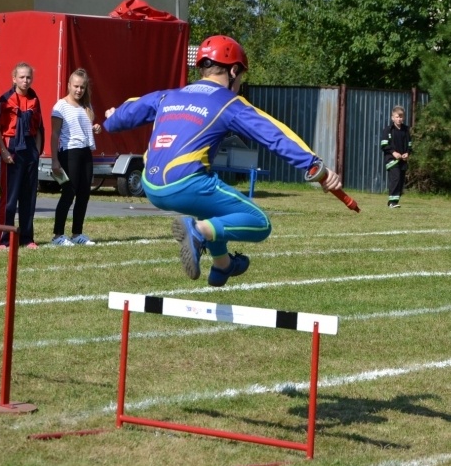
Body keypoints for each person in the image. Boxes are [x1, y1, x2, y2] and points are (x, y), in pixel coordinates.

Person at [103, 35, 342, 287]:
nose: (239, 84)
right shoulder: (229, 103)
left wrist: (112, 117)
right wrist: (316, 167)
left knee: (215, 212)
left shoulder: (168, 96)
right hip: (185, 183)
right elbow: (274, 134)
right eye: (240, 78)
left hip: (150, 185)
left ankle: (222, 265)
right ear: (233, 70)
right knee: (260, 223)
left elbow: (127, 113)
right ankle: (198, 232)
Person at [0, 62, 43, 249]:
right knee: (10, 198)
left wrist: (36, 151)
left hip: (29, 148)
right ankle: (2, 239)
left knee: (29, 196)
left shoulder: (34, 98)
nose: (25, 80)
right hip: (12, 147)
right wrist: (3, 151)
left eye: (28, 77)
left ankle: (27, 238)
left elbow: (38, 128)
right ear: (14, 78)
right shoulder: (5, 99)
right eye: (21, 77)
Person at [49, 68, 101, 246]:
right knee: (69, 193)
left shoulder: (86, 106)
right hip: (69, 152)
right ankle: (57, 235)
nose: (79, 90)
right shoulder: (60, 106)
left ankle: (77, 233)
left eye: (82, 87)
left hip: (85, 151)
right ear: (69, 85)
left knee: (84, 193)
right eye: (76, 86)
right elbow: (55, 134)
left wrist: (95, 129)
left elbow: (86, 128)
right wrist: (54, 159)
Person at [380, 105, 412, 208]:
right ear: (392, 117)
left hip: (402, 161)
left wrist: (407, 153)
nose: (399, 119)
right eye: (397, 117)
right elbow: (384, 145)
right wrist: (393, 152)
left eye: (401, 117)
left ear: (404, 117)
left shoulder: (406, 130)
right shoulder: (388, 130)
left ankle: (395, 201)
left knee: (401, 180)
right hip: (391, 160)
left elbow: (409, 144)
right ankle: (392, 203)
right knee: (396, 178)